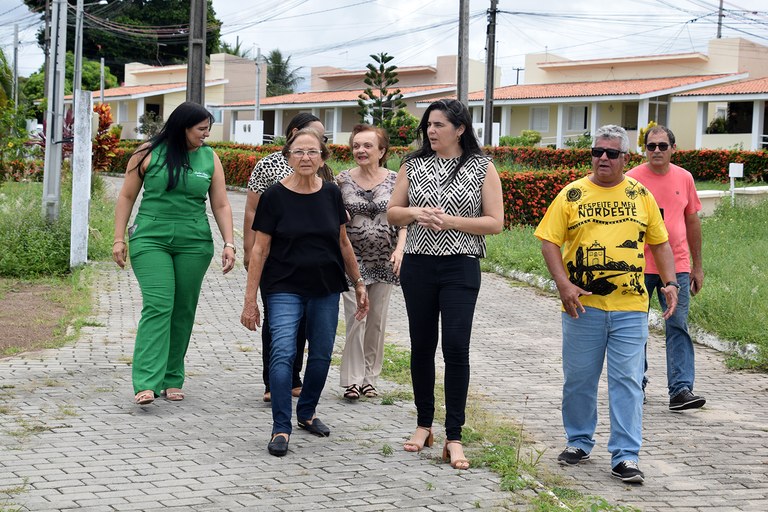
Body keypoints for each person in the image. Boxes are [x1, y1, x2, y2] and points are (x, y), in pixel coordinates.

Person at [534, 124, 679, 484]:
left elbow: (660, 243)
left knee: (628, 381)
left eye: (611, 153)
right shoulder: (572, 195)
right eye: (597, 152)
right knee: (579, 379)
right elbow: (549, 241)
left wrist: (671, 281)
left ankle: (625, 456)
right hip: (583, 306)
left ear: (625, 159)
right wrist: (563, 284)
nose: (602, 158)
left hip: (630, 306)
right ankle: (579, 441)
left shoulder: (639, 195)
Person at [387, 99, 504, 470]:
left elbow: (495, 222)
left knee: (455, 348)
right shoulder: (413, 164)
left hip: (461, 266)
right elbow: (393, 211)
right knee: (421, 346)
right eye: (429, 125)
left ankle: (454, 435)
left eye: (439, 125)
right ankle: (424, 425)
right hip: (419, 265)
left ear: (460, 129)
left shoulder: (482, 168)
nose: (431, 131)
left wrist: (451, 222)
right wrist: (415, 214)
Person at [240, 128, 369, 457]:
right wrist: (249, 299)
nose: (306, 158)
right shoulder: (274, 197)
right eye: (299, 152)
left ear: (323, 157)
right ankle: (280, 426)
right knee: (282, 354)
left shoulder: (330, 194)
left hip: (325, 286)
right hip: (283, 286)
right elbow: (260, 251)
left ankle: (307, 412)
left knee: (322, 354)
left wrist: (358, 282)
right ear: (288, 156)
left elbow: (342, 242)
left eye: (313, 152)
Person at [113, 101, 236, 406]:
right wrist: (119, 238)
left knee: (183, 309)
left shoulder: (210, 158)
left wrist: (229, 242)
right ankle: (145, 381)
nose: (206, 135)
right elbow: (127, 195)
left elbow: (221, 204)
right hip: (150, 237)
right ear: (183, 127)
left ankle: (172, 377)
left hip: (194, 242)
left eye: (208, 129)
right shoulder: (147, 152)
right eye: (201, 129)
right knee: (159, 304)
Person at [243, 113, 333, 403]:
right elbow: (252, 210)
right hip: (277, 261)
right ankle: (273, 380)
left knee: (306, 325)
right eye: (312, 137)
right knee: (278, 325)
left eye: (320, 142)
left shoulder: (324, 172)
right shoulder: (269, 165)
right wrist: (249, 248)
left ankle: (294, 378)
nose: (315, 147)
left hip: (314, 269)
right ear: (294, 134)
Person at [627, 125, 706, 411]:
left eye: (662, 146)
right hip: (637, 266)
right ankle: (636, 385)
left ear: (673, 148)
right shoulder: (632, 179)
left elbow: (692, 222)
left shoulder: (684, 178)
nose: (657, 151)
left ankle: (681, 390)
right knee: (634, 328)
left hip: (678, 266)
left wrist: (698, 267)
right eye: (651, 146)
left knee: (678, 326)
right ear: (644, 149)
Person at [337, 124, 406, 401]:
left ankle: (370, 378)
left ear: (382, 151)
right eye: (356, 146)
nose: (360, 150)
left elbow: (404, 219)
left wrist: (400, 249)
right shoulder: (342, 180)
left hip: (385, 259)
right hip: (352, 260)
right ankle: (352, 380)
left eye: (367, 146)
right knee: (356, 317)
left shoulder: (396, 179)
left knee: (376, 320)